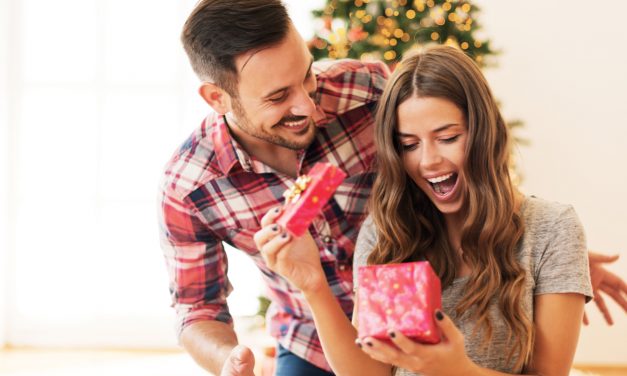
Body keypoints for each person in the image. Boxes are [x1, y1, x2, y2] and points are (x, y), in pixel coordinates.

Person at [159, 1, 627, 375]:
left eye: (307, 76)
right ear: (217, 97)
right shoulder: (190, 186)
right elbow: (196, 308)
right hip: (316, 338)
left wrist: (546, 255)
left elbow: (461, 140)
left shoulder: (370, 90)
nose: (309, 103)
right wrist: (228, 359)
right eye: (279, 97)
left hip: (445, 297)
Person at [255, 45, 594, 375]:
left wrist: (456, 370)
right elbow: (371, 372)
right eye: (409, 145)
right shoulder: (387, 230)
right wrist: (313, 287)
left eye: (448, 138)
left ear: (484, 133)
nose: (429, 161)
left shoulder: (553, 228)